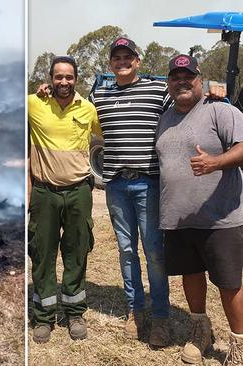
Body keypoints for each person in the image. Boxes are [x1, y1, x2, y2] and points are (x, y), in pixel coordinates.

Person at [156, 54, 243, 365]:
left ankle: (239, 344)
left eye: (188, 76)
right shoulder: (164, 117)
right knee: (191, 275)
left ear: (199, 79)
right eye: (175, 76)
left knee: (229, 283)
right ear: (168, 82)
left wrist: (215, 162)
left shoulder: (220, 109)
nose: (182, 81)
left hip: (220, 218)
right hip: (178, 218)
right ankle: (201, 332)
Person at [88, 37, 171, 346]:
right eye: (116, 57)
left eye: (128, 56)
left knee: (154, 252)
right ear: (111, 64)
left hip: (148, 183)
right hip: (116, 185)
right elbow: (73, 108)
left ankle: (161, 316)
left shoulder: (156, 90)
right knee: (125, 250)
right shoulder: (100, 95)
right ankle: (135, 312)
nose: (122, 61)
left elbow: (185, 106)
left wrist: (214, 94)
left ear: (138, 61)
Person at [28, 55, 101, 343]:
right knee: (42, 253)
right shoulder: (34, 104)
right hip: (45, 193)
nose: (63, 82)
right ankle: (43, 316)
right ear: (50, 79)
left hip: (78, 191)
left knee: (76, 252)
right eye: (58, 76)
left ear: (76, 79)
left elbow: (109, 134)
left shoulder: (88, 109)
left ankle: (74, 312)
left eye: (69, 77)